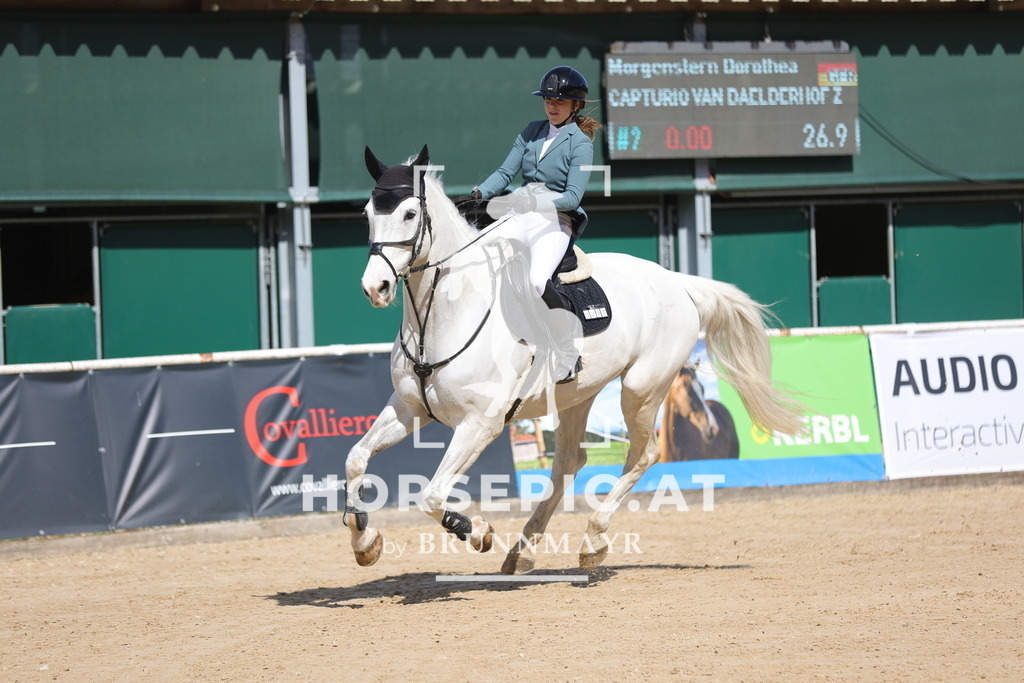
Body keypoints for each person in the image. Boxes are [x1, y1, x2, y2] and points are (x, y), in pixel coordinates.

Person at [473, 65, 602, 314]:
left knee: (536, 282)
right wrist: (479, 192)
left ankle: (565, 340)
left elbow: (573, 198)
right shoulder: (532, 131)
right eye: (548, 100)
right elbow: (504, 173)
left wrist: (534, 204)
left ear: (576, 105)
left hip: (556, 220)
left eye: (560, 101)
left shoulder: (581, 144)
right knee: (479, 252)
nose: (552, 106)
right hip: (520, 213)